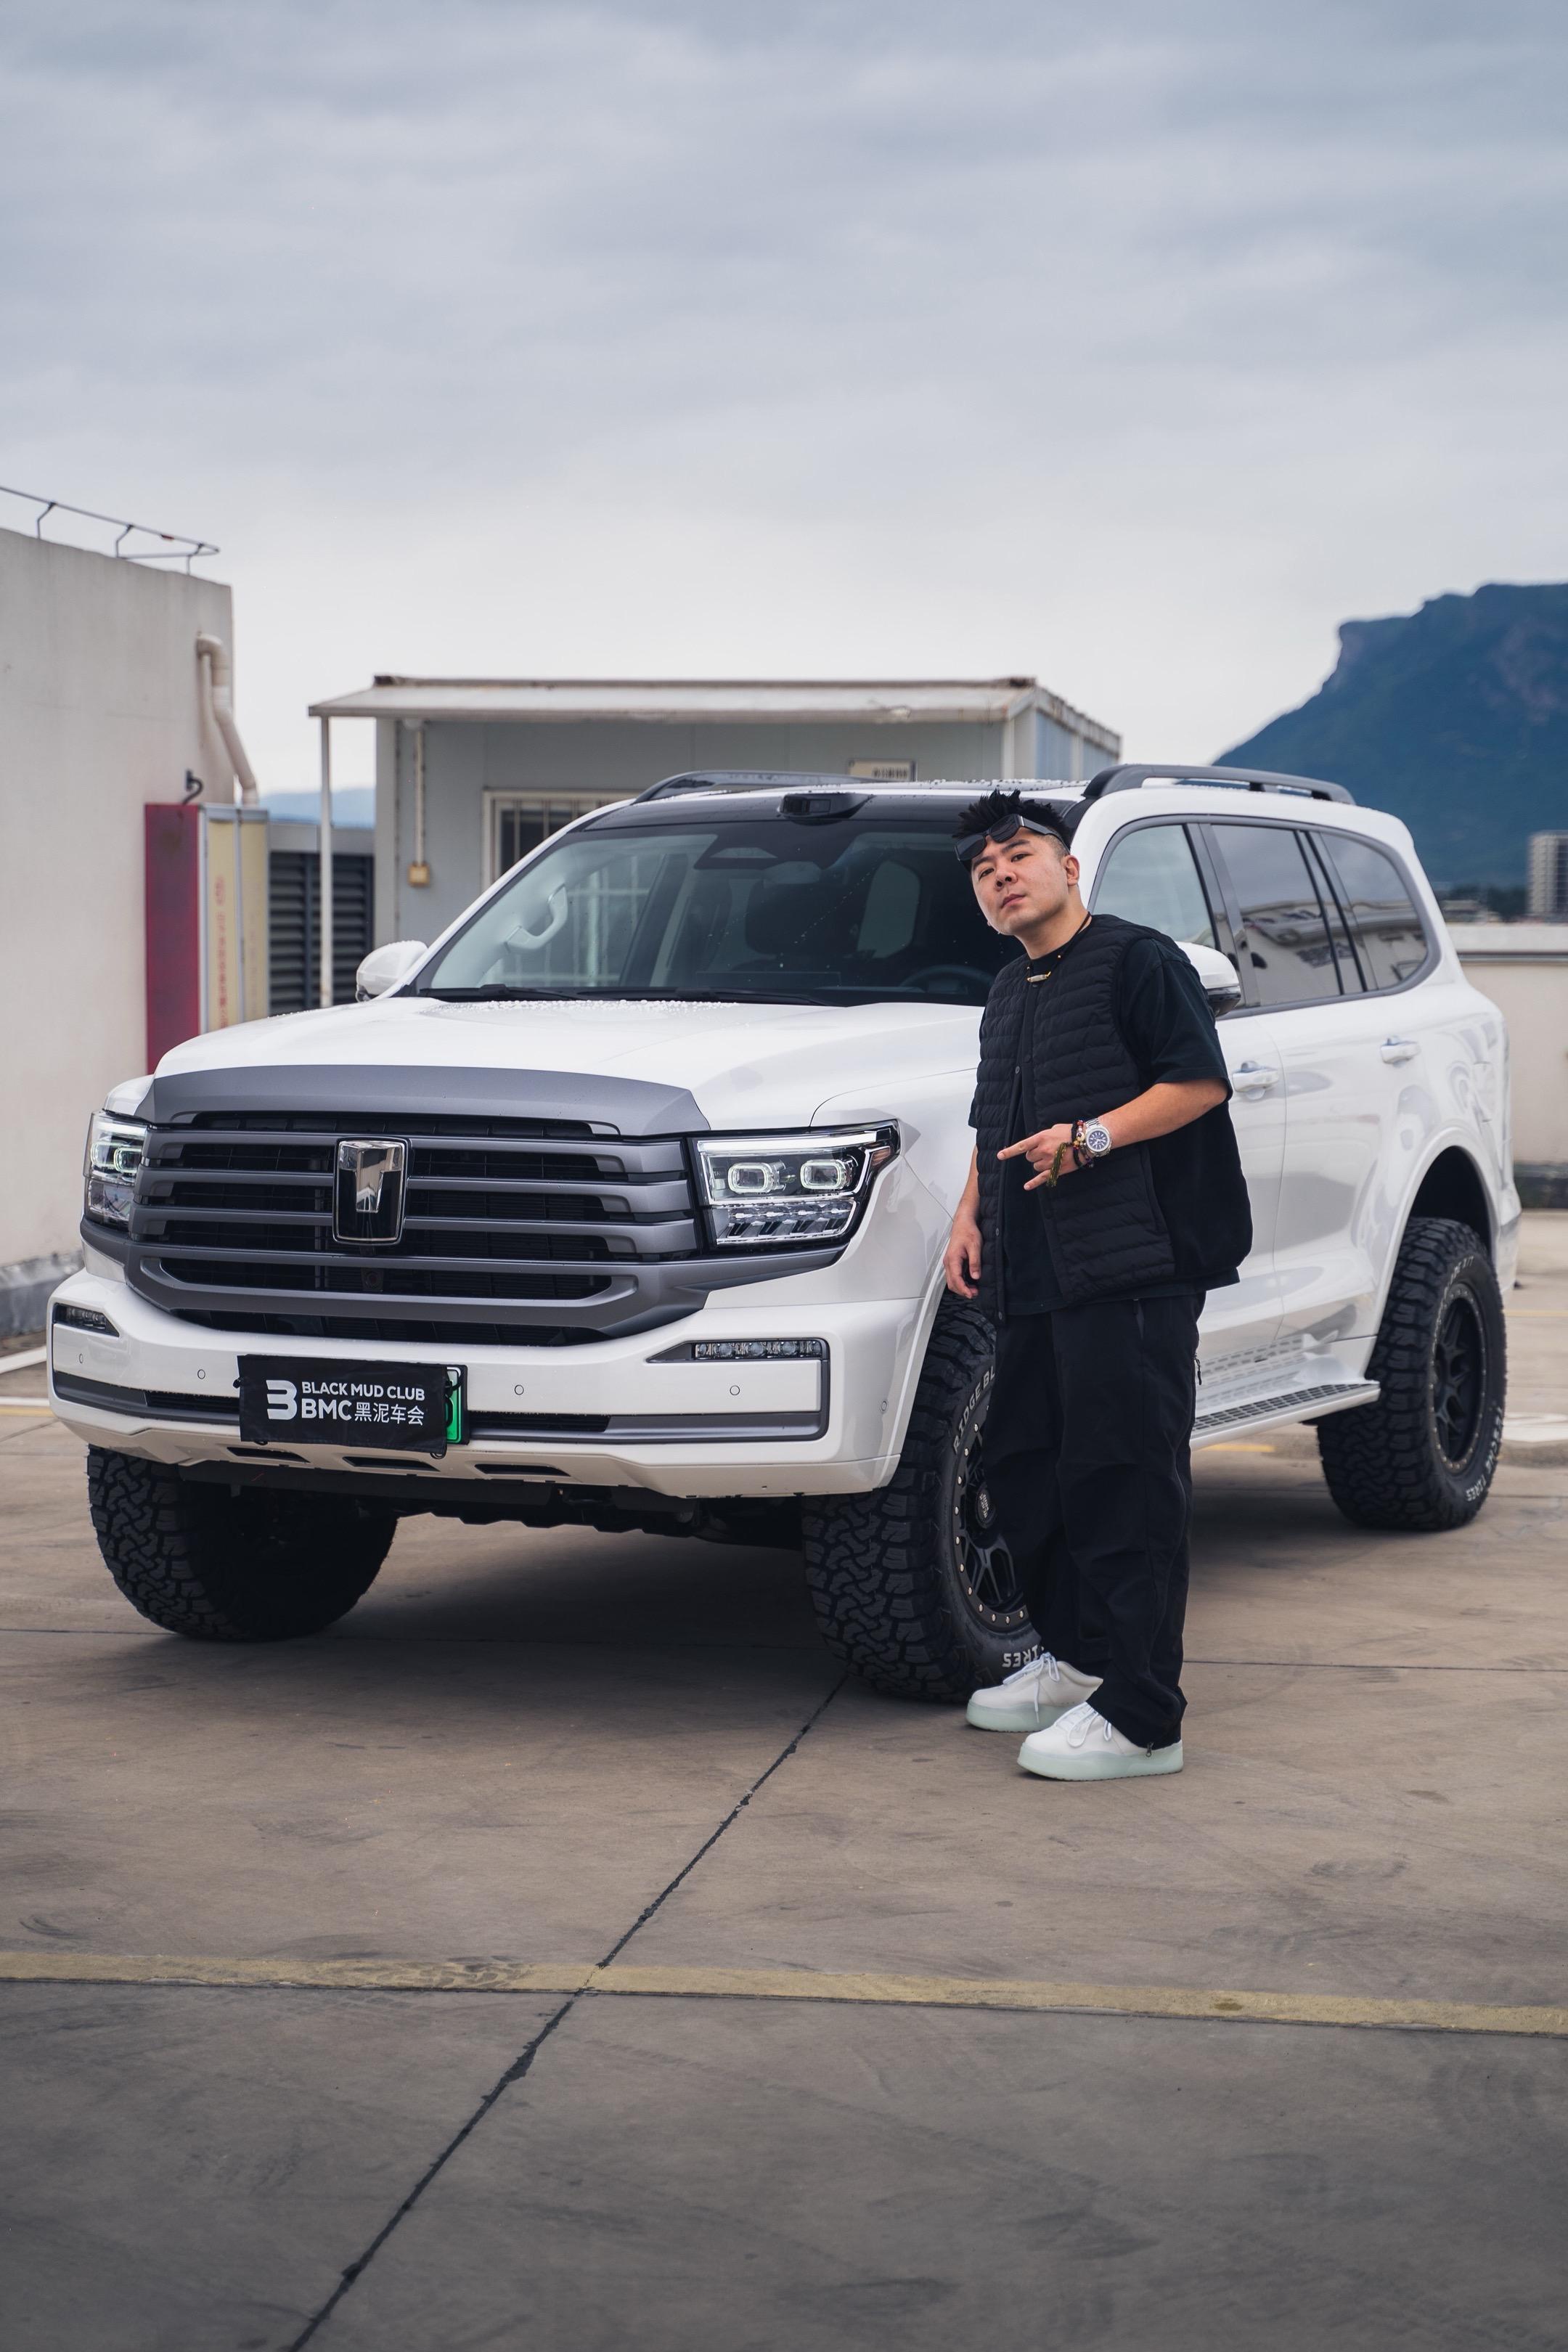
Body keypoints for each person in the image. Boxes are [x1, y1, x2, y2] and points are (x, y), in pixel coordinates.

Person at [942, 788, 1251, 1782]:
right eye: (985, 869)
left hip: (1133, 1266)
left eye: (1019, 855)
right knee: (1024, 1466)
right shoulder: (1008, 990)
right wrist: (968, 1214)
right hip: (1032, 1269)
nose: (1002, 875)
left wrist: (1094, 1137)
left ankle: (1143, 1714)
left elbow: (1198, 1082)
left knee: (1125, 1480)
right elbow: (992, 1124)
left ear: (1069, 869)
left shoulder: (1139, 960)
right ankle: (1080, 1662)